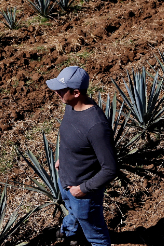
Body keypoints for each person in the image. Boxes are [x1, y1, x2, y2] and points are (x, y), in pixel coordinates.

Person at [46, 66, 118, 246]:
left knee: (96, 237)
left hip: (83, 194)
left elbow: (110, 169)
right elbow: (74, 138)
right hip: (66, 180)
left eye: (61, 90)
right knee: (72, 212)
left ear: (76, 92)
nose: (56, 92)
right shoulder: (71, 107)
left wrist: (82, 189)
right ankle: (70, 234)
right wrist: (64, 159)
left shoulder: (96, 126)